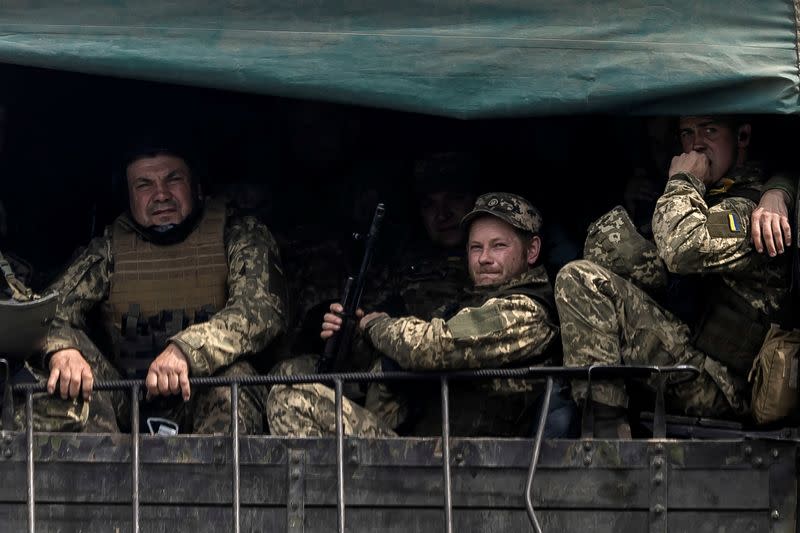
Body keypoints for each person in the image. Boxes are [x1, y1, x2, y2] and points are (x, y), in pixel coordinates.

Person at [556, 115, 789, 437]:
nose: (696, 143)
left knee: (580, 278)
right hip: (696, 362)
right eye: (687, 133)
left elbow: (682, 250)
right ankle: (604, 423)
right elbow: (659, 269)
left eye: (710, 130)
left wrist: (682, 181)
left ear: (742, 137)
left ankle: (605, 435)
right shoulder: (710, 197)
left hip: (723, 384)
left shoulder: (752, 208)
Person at [267, 192, 567, 438]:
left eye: (498, 246)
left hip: (463, 467)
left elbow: (434, 344)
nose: (485, 258)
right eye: (476, 248)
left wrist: (375, 325)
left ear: (532, 251)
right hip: (430, 457)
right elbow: (395, 363)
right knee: (291, 377)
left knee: (294, 398)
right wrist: (351, 338)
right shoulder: (469, 305)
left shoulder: (524, 310)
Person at [33, 143, 286, 434]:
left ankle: (213, 480)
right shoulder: (109, 250)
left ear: (196, 187)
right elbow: (45, 310)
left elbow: (262, 311)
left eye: (173, 179)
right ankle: (107, 477)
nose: (161, 194)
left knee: (233, 379)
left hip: (201, 396)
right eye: (144, 185)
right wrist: (63, 350)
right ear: (128, 197)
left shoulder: (237, 234)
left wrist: (186, 350)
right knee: (69, 368)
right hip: (129, 402)